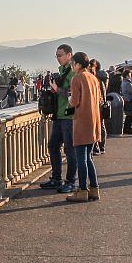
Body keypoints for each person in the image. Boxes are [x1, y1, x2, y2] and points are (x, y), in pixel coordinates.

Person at [40, 44, 78, 192]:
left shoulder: (73, 72)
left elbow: (72, 94)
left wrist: (56, 89)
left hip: (69, 115)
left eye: (60, 55)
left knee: (70, 149)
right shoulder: (62, 71)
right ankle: (56, 178)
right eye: (56, 55)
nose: (58, 58)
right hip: (59, 114)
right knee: (53, 146)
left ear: (69, 55)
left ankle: (70, 182)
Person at [66, 52, 102, 202]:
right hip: (94, 121)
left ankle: (82, 190)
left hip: (82, 121)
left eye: (73, 63)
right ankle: (94, 189)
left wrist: (67, 104)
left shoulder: (77, 78)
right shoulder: (93, 78)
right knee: (88, 158)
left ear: (78, 64)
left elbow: (74, 102)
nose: (72, 66)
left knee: (81, 158)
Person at [90, 58, 108, 155]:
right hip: (101, 105)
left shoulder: (95, 79)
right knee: (101, 126)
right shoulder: (102, 79)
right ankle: (101, 146)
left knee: (96, 126)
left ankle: (96, 147)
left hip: (96, 106)